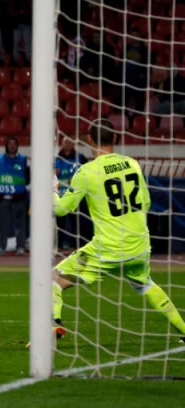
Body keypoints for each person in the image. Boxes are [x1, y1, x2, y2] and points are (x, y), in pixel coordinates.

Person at [51, 119, 185, 343]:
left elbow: (61, 210)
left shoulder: (86, 172)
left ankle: (53, 324)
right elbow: (147, 203)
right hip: (139, 245)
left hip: (108, 249)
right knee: (145, 285)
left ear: (89, 140)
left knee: (53, 280)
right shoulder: (132, 164)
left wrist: (52, 190)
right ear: (114, 137)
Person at [0, 136, 30, 255]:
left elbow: (31, 177)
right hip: (2, 198)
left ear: (17, 146)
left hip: (18, 198)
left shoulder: (24, 160)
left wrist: (25, 189)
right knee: (1, 225)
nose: (12, 146)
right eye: (10, 144)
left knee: (20, 225)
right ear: (6, 145)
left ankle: (20, 247)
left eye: (14, 144)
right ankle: (1, 247)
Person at [54, 136, 87, 251]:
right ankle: (59, 246)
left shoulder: (80, 157)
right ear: (62, 144)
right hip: (61, 195)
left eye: (69, 142)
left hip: (75, 195)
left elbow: (87, 173)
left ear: (73, 144)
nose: (67, 144)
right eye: (65, 142)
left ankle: (74, 245)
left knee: (76, 222)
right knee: (60, 222)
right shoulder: (56, 158)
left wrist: (76, 178)